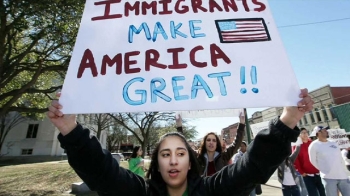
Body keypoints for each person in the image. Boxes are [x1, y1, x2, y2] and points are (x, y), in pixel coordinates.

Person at [47, 89, 313, 196]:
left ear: (189, 162)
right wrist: (70, 130)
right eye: (165, 154)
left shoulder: (212, 190)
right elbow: (102, 172)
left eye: (179, 153)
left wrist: (288, 119)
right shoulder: (140, 192)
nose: (173, 160)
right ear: (157, 164)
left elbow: (252, 167)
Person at [309, 126, 350, 196]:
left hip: (342, 176)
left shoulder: (333, 143)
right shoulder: (313, 145)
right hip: (328, 177)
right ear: (318, 133)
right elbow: (313, 161)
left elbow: (339, 158)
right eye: (324, 130)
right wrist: (325, 170)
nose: (326, 131)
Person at [293, 128, 326, 196]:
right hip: (307, 175)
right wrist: (301, 172)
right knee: (313, 193)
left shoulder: (313, 143)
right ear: (299, 135)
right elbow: (296, 160)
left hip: (318, 173)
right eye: (302, 132)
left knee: (323, 192)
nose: (305, 134)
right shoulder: (297, 146)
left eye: (306, 132)